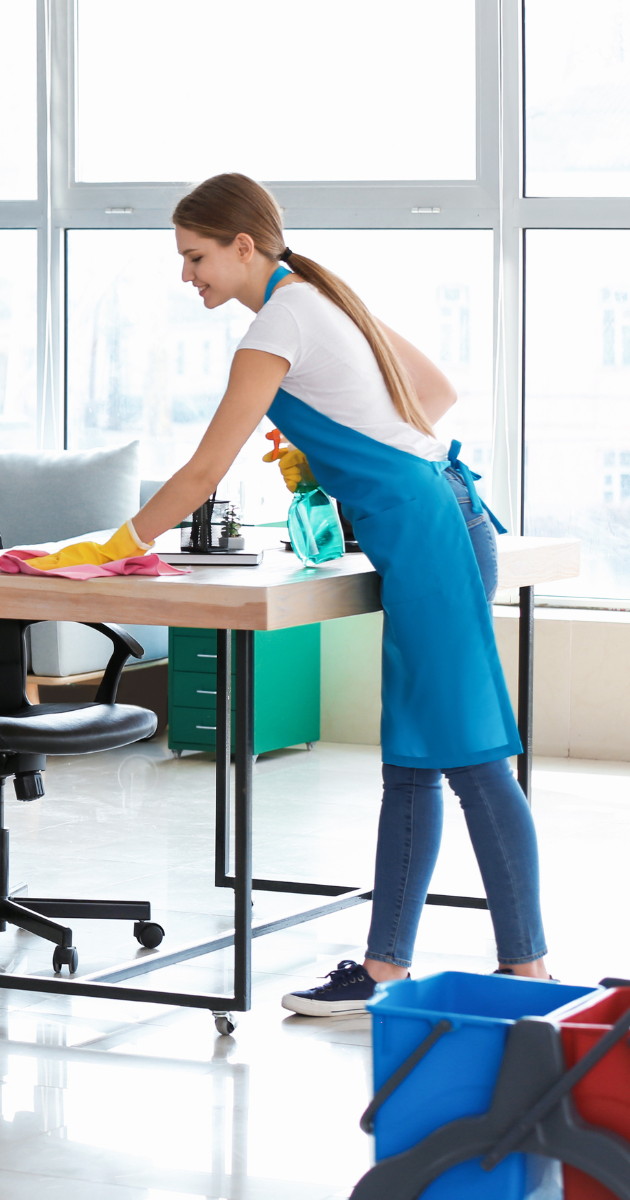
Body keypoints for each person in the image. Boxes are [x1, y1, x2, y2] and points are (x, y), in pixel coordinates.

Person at [35, 173, 548, 1013]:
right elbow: (437, 397)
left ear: (243, 246)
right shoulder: (322, 297)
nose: (187, 274)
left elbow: (205, 469)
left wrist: (118, 544)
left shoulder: (278, 322)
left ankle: (529, 978)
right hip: (446, 518)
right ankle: (386, 971)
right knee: (418, 760)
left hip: (428, 539)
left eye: (196, 256)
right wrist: (340, 443)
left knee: (473, 757)